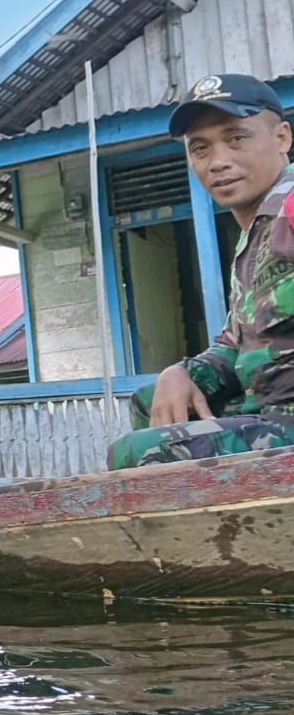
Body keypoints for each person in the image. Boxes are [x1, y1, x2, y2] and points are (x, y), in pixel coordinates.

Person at [108, 73, 294, 468]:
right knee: (154, 398)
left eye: (236, 138)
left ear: (282, 138)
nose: (219, 161)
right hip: (267, 410)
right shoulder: (252, 240)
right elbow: (235, 344)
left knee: (139, 453)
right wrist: (181, 370)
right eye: (200, 148)